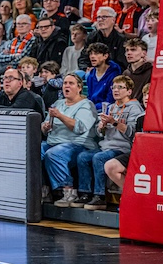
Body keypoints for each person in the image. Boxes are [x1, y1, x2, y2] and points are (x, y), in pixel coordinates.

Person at [73, 75, 143, 210]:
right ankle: (85, 193)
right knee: (82, 157)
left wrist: (114, 122)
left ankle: (100, 196)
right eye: (114, 87)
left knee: (99, 158)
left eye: (120, 87)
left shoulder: (134, 108)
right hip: (106, 146)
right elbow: (100, 133)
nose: (116, 90)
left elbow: (133, 133)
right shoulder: (110, 107)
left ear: (129, 91)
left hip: (122, 148)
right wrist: (101, 127)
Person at [41, 73, 99, 206]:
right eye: (65, 83)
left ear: (79, 88)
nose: (67, 86)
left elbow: (80, 128)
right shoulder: (58, 103)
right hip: (53, 141)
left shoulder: (86, 105)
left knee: (54, 154)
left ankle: (69, 191)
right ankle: (44, 189)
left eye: (71, 83)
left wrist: (60, 116)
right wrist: (45, 127)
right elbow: (44, 127)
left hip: (77, 143)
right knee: (34, 151)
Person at [86, 42, 122, 110]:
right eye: (91, 54)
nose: (92, 56)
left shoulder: (114, 74)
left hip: (107, 109)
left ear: (105, 56)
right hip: (92, 109)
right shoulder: (90, 75)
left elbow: (110, 100)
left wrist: (92, 107)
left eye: (96, 53)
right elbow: (90, 97)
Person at [122, 38, 151, 103]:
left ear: (144, 53)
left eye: (133, 50)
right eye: (127, 50)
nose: (129, 53)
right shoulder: (125, 73)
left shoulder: (151, 72)